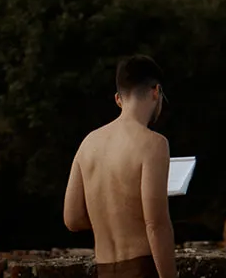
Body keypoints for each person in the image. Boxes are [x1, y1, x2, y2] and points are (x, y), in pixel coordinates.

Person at [62, 55, 175, 278]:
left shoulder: (88, 143)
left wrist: (112, 217)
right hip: (141, 268)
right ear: (156, 92)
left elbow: (72, 219)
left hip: (104, 268)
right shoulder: (153, 144)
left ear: (118, 99)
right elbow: (156, 224)